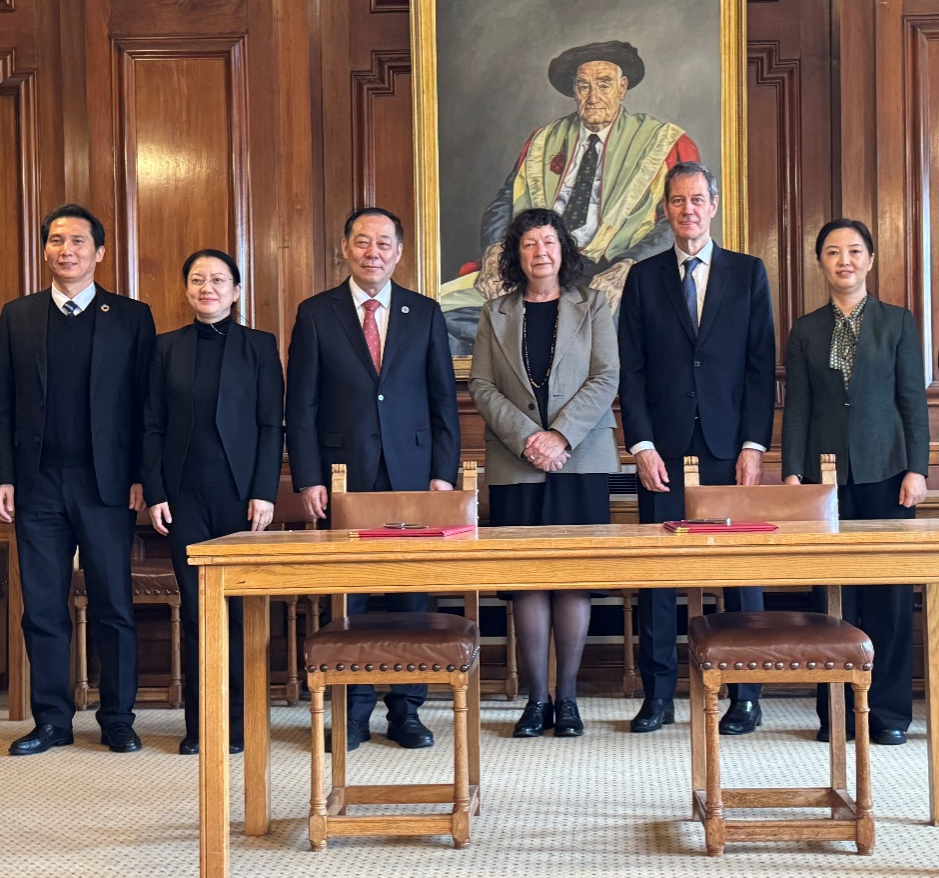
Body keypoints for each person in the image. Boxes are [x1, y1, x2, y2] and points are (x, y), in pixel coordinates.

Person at [286, 206, 461, 752]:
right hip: (345, 477)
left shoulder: (424, 312)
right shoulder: (316, 313)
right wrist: (309, 478)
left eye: (384, 243)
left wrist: (443, 475)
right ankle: (353, 710)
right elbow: (301, 405)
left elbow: (443, 401)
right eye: (362, 241)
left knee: (412, 595)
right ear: (345, 248)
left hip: (414, 476)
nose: (373, 252)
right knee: (350, 598)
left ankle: (406, 709)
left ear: (399, 252)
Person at [0, 203, 156, 755]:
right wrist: (1, 476)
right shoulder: (19, 315)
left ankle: (118, 718)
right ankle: (52, 721)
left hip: (107, 486)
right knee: (41, 607)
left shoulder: (131, 317)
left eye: (79, 241)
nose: (67, 250)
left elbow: (146, 407)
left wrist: (142, 477)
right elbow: (3, 403)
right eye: (57, 240)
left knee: (113, 605)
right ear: (45, 251)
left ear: (99, 252)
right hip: (37, 484)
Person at [618, 161, 776, 735]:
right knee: (659, 576)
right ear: (665, 209)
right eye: (678, 201)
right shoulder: (643, 278)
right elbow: (631, 370)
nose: (688, 210)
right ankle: (658, 695)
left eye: (697, 200)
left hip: (729, 447)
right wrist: (640, 444)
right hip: (662, 450)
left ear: (713, 205)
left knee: (740, 574)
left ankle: (746, 694)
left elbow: (760, 367)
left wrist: (754, 445)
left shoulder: (747, 272)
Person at [468, 208, 621, 739]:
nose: (540, 252)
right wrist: (528, 438)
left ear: (564, 250)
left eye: (549, 242)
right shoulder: (495, 312)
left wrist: (560, 436)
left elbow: (606, 376)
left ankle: (569, 699)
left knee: (574, 580)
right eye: (530, 243)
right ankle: (537, 700)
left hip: (581, 460)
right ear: (517, 254)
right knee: (527, 580)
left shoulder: (593, 304)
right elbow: (482, 385)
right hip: (516, 463)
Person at [441, 40, 701, 350]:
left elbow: (677, 220)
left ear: (622, 88)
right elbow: (505, 201)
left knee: (603, 333)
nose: (593, 97)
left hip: (608, 266)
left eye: (603, 84)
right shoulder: (544, 139)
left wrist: (630, 264)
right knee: (445, 316)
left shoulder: (662, 142)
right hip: (538, 264)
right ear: (574, 92)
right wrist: (496, 249)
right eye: (583, 86)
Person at [781, 219, 929, 746]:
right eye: (832, 252)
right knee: (833, 599)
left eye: (854, 251)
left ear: (869, 259)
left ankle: (889, 715)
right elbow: (798, 408)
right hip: (825, 480)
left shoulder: (897, 322)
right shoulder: (805, 329)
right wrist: (793, 473)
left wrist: (917, 468)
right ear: (820, 262)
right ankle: (836, 713)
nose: (844, 260)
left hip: (888, 474)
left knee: (889, 598)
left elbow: (912, 401)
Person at [142, 250, 284, 755]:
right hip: (183, 496)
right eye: (198, 280)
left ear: (236, 291)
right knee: (197, 610)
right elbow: (152, 425)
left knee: (240, 611)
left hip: (240, 496)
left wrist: (265, 490)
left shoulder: (260, 346)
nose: (208, 288)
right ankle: (202, 724)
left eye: (219, 280)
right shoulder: (166, 347)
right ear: (187, 289)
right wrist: (155, 492)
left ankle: (240, 723)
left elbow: (271, 424)